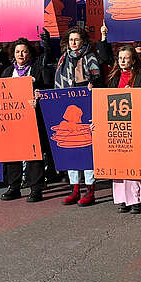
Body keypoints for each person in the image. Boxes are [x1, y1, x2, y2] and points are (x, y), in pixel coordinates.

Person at [53, 27, 103, 206]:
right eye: (71, 40)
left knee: (86, 147)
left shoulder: (90, 58)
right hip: (67, 106)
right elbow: (57, 80)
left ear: (83, 41)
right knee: (70, 147)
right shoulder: (62, 59)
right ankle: (74, 189)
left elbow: (99, 78)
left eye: (77, 40)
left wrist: (93, 84)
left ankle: (90, 190)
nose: (73, 43)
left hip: (86, 106)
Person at [0, 37, 52, 203]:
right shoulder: (8, 72)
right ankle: (14, 187)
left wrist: (39, 96)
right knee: (13, 152)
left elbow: (46, 89)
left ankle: (36, 188)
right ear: (13, 54)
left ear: (29, 53)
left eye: (24, 51)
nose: (20, 54)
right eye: (17, 51)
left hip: (33, 118)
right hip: (12, 119)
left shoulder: (37, 70)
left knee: (33, 153)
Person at [107, 45, 141, 214]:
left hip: (137, 123)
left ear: (133, 59)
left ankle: (136, 199)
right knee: (120, 162)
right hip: (119, 124)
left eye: (126, 58)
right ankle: (122, 199)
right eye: (120, 58)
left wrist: (134, 93)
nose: (122, 61)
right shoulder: (114, 77)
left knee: (135, 162)